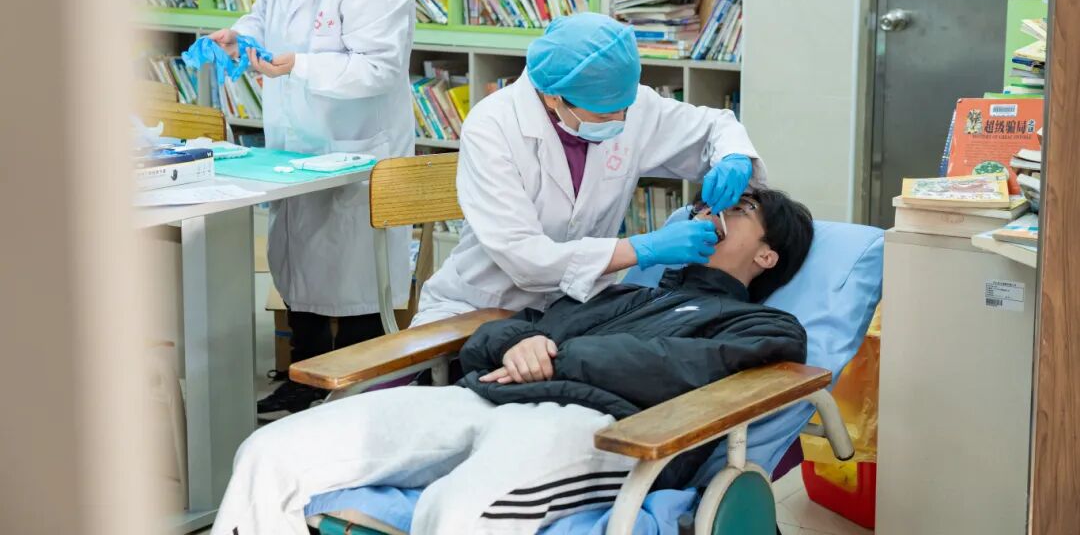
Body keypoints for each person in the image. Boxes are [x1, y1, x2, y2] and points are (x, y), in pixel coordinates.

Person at [210, 189, 814, 535]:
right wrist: (514, 346)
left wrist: (558, 356)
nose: (710, 212)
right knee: (270, 452)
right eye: (708, 203)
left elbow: (675, 369)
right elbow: (508, 331)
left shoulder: (764, 327)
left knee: (457, 511)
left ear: (766, 256)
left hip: (598, 429)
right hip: (481, 397)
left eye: (737, 209)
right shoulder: (623, 293)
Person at [207, 0, 416, 419]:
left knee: (356, 279)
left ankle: (357, 392)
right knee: (299, 267)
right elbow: (265, 17)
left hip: (355, 146)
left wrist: (299, 65)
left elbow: (379, 70)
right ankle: (303, 380)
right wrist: (240, 34)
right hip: (298, 143)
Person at [414, 13, 766, 327]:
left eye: (625, 107)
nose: (621, 121)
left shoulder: (625, 102)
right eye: (604, 115)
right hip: (482, 308)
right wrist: (642, 248)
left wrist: (733, 157)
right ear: (553, 96)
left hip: (579, 312)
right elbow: (524, 258)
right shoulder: (493, 127)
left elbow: (712, 127)